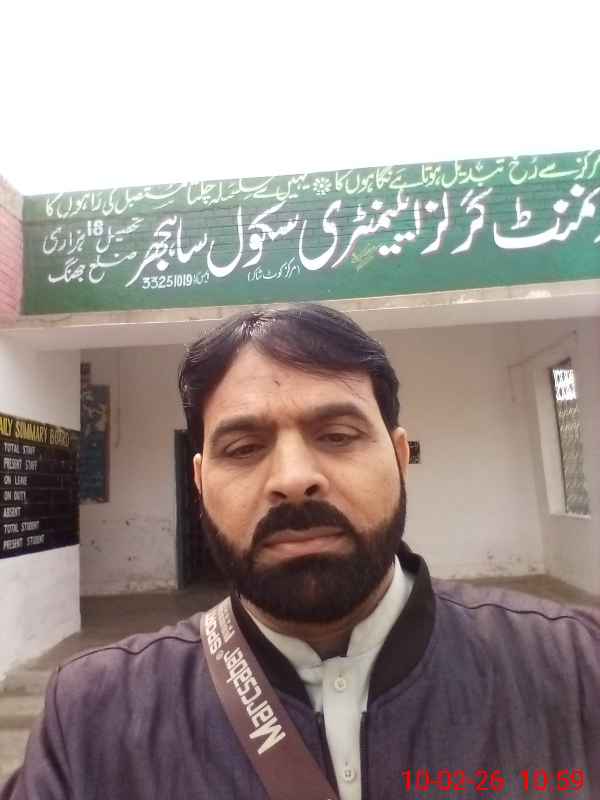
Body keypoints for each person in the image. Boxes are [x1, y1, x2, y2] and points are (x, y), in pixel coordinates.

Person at [2, 302, 599, 800]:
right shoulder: (92, 715)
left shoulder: (575, 667)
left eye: (337, 436)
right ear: (201, 482)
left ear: (399, 458)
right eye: (244, 447)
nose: (293, 478)